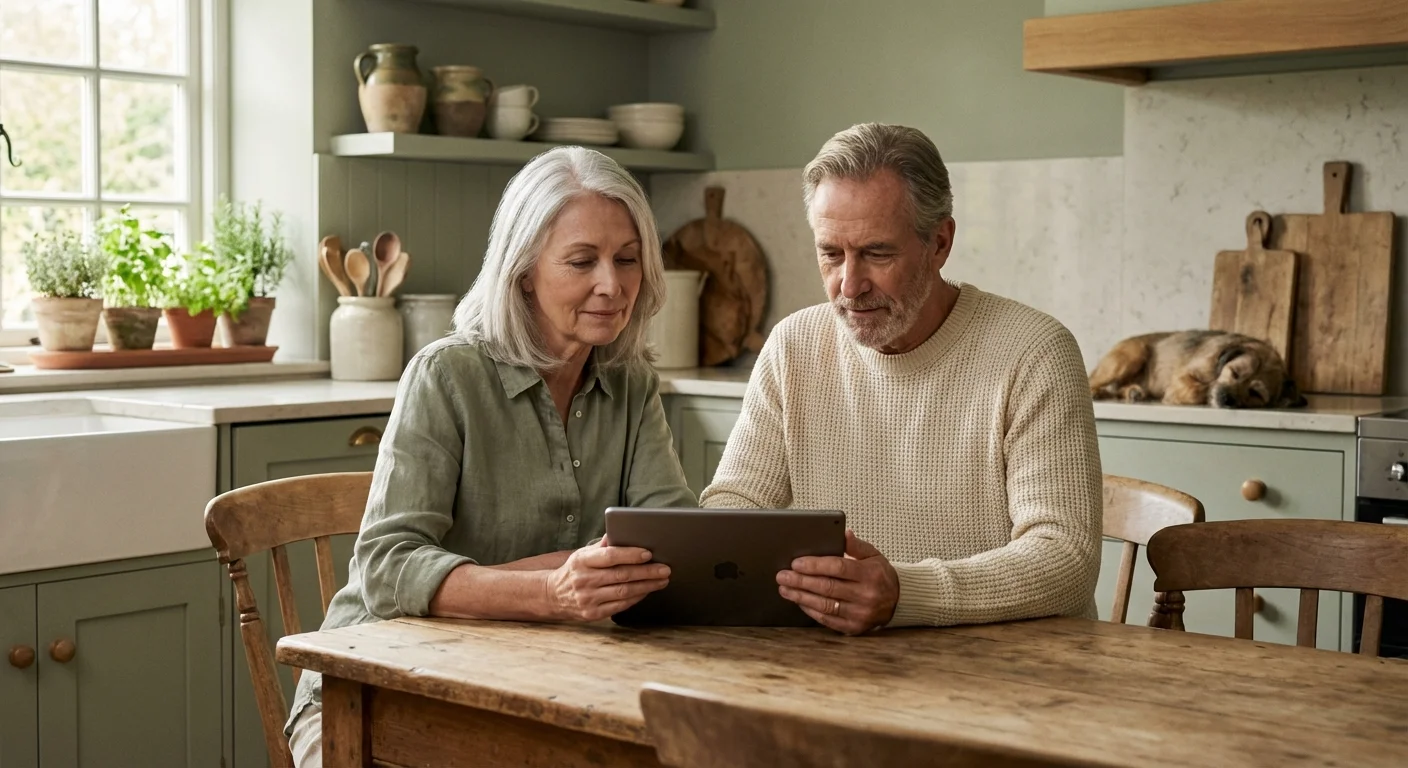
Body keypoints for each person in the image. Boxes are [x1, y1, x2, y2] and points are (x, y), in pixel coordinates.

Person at [286, 146, 696, 767]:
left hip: (536, 685)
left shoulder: (631, 385)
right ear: (524, 269)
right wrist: (553, 589)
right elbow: (387, 568)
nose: (612, 285)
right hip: (370, 690)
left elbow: (674, 548)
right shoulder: (446, 375)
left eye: (627, 259)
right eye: (582, 261)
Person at [700, 123, 1102, 636]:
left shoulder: (1034, 352)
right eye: (830, 253)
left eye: (877, 253)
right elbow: (734, 506)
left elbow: (1065, 560)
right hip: (836, 664)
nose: (849, 284)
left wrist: (904, 594)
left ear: (940, 242)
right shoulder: (793, 346)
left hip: (1010, 673)